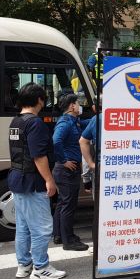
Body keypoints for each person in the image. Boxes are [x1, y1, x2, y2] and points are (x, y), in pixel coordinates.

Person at [8, 83, 66, 279]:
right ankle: (41, 267)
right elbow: (38, 156)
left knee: (23, 227)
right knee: (41, 227)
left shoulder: (16, 121)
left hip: (17, 179)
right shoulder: (36, 123)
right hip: (33, 182)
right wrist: (49, 180)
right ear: (40, 100)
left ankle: (24, 265)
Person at [52, 93, 91, 251]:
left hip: (64, 171)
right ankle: (69, 240)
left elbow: (89, 124)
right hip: (67, 170)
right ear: (71, 106)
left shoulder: (74, 122)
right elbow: (56, 141)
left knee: (62, 203)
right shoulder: (66, 123)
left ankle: (59, 235)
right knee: (68, 205)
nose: (80, 105)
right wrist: (63, 161)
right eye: (78, 103)